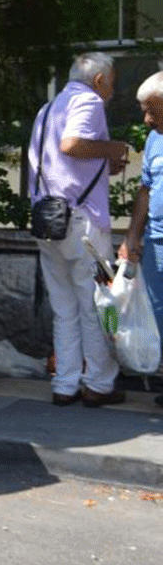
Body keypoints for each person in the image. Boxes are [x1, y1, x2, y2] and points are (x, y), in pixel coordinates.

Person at [28, 51, 131, 407]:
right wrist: (115, 147)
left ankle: (65, 384)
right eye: (113, 83)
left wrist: (102, 164)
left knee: (64, 309)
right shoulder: (89, 101)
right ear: (99, 79)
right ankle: (99, 384)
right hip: (84, 225)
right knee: (102, 305)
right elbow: (71, 145)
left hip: (48, 222)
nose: (113, 92)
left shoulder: (47, 109)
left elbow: (55, 162)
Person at [117, 71, 163, 405]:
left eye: (152, 110)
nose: (146, 119)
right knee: (158, 315)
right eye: (144, 109)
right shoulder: (153, 140)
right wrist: (132, 236)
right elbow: (145, 189)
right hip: (157, 242)